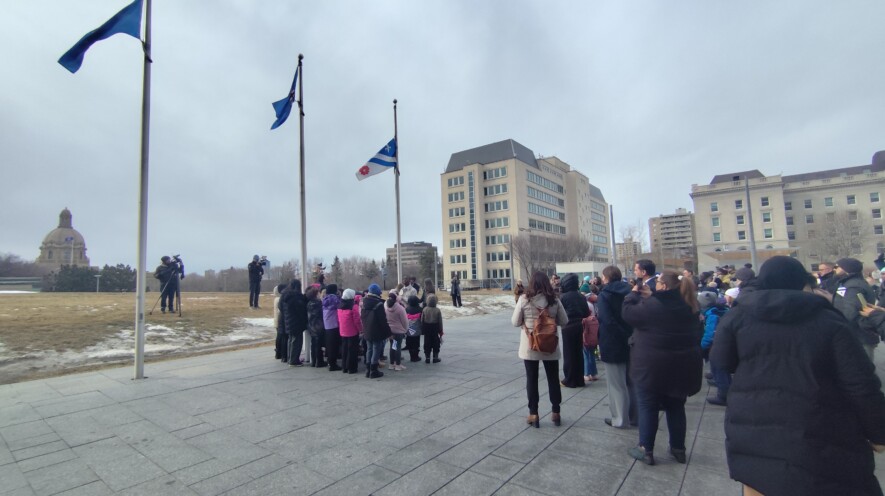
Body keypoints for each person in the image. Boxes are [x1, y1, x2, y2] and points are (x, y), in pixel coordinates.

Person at [711, 256, 885, 495]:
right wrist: (877, 432)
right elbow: (860, 383)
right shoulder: (829, 319)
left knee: (761, 480)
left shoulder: (737, 316)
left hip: (755, 426)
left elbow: (721, 361)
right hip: (820, 427)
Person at [622, 270, 702, 466]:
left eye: (658, 282)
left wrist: (632, 294)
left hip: (652, 365)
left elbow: (628, 313)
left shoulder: (654, 305)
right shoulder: (691, 305)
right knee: (676, 406)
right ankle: (678, 448)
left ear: (664, 286)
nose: (656, 285)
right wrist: (653, 296)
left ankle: (646, 448)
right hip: (682, 364)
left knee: (647, 405)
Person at [512, 271, 569, 428]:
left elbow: (515, 322)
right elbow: (564, 321)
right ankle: (556, 412)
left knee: (532, 379)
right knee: (553, 379)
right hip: (550, 345)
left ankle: (534, 414)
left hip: (530, 345)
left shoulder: (524, 299)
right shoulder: (554, 300)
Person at [596, 266, 636, 429]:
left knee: (616, 384)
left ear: (606, 278)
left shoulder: (605, 295)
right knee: (631, 382)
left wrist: (622, 335)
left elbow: (607, 320)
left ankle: (620, 418)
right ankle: (634, 416)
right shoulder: (631, 292)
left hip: (613, 342)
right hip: (633, 340)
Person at [832, 257, 880, 360]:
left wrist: (838, 327)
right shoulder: (846, 283)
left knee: (863, 366)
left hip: (859, 335)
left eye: (837, 266)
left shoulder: (854, 286)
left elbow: (850, 311)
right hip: (855, 334)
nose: (834, 269)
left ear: (846, 269)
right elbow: (840, 302)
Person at [558, 273, 589, 388]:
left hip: (567, 327)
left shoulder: (563, 297)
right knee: (578, 353)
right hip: (579, 326)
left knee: (569, 353)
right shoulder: (581, 296)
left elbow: (560, 313)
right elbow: (586, 312)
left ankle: (569, 379)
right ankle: (579, 379)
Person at [698, 292, 729, 406]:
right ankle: (724, 387)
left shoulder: (712, 315)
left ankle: (723, 396)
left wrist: (701, 347)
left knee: (719, 369)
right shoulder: (722, 311)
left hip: (716, 345)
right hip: (723, 344)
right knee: (720, 369)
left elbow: (710, 334)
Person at [361, 284, 391, 379]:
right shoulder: (379, 304)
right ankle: (373, 370)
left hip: (367, 330)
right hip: (376, 331)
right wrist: (388, 333)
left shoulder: (364, 303)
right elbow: (383, 320)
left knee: (369, 349)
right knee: (376, 349)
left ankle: (368, 370)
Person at [281, 279, 307, 367]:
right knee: (297, 341)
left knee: (290, 340)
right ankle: (294, 360)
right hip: (296, 322)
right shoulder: (296, 297)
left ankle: (290, 359)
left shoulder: (285, 295)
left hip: (288, 321)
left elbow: (280, 307)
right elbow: (301, 310)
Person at [337, 289, 362, 374]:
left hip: (343, 330)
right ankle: (351, 368)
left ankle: (344, 367)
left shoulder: (339, 306)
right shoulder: (353, 307)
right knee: (352, 350)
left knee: (344, 349)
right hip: (352, 331)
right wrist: (360, 329)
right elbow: (357, 320)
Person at [385, 290, 408, 371]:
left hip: (390, 331)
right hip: (399, 331)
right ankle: (398, 365)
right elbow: (404, 321)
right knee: (398, 347)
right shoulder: (400, 309)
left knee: (393, 346)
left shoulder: (386, 307)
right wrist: (405, 329)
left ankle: (391, 364)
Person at [322, 284, 342, 371]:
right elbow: (340, 306)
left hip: (327, 324)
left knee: (329, 345)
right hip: (333, 324)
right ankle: (333, 364)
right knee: (334, 345)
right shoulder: (334, 298)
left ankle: (330, 362)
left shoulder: (325, 298)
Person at [305, 286, 326, 368]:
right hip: (318, 325)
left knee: (313, 343)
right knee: (318, 344)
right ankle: (319, 361)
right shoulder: (318, 303)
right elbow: (321, 313)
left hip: (311, 325)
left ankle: (314, 361)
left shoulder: (309, 303)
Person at [421, 294, 444, 363]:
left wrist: (422, 329)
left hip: (427, 328)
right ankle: (435, 357)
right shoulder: (437, 310)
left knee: (427, 343)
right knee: (436, 343)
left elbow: (422, 320)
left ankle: (427, 357)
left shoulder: (425, 309)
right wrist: (441, 330)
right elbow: (440, 321)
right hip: (435, 328)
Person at [405, 295, 423, 362]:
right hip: (417, 330)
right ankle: (416, 356)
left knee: (410, 343)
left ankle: (411, 356)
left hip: (409, 329)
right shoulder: (420, 309)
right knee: (416, 343)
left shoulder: (406, 309)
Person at [273, 283, 288, 362]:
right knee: (282, 338)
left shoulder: (276, 299)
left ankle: (278, 353)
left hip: (277, 320)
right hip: (281, 320)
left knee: (279, 337)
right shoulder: (280, 299)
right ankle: (281, 353)